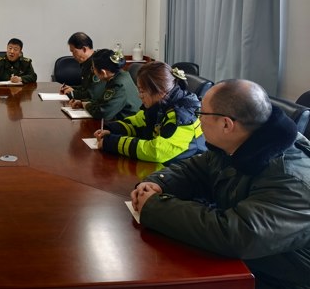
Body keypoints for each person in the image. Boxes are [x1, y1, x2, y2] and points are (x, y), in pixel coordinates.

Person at [131, 79, 310, 289]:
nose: (198, 120)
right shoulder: (242, 141)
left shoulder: (291, 179)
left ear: (226, 124)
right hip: (248, 264)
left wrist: (154, 206)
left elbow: (235, 234)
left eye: (201, 113)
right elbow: (194, 169)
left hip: (280, 280)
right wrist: (158, 184)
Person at [94, 61, 205, 164]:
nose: (139, 96)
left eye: (142, 91)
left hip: (186, 171)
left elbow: (156, 151)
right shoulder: (159, 104)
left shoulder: (184, 115)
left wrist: (112, 143)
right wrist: (111, 130)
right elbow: (137, 122)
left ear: (160, 91)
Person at [69, 48, 140, 122]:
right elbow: (103, 102)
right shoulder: (122, 75)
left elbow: (103, 113)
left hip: (128, 125)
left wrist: (86, 105)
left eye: (93, 69)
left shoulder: (118, 85)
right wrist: (84, 103)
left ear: (103, 72)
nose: (93, 72)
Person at [60, 32, 105, 100]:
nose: (73, 56)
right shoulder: (86, 63)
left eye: (74, 51)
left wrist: (72, 93)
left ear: (84, 49)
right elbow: (85, 87)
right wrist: (71, 88)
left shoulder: (98, 64)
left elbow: (93, 94)